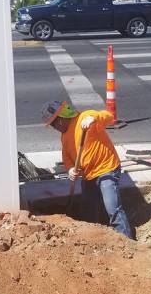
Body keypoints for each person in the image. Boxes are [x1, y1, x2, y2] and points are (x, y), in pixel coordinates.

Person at [41, 100, 134, 239]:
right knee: (88, 210)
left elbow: (108, 116)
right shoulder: (65, 136)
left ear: (60, 120)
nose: (54, 128)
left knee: (112, 209)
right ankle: (93, 239)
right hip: (89, 176)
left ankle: (128, 241)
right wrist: (71, 169)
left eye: (54, 124)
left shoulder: (85, 117)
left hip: (106, 169)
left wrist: (94, 118)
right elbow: (66, 157)